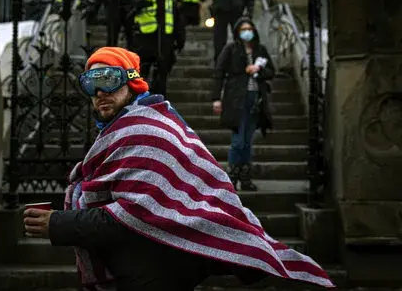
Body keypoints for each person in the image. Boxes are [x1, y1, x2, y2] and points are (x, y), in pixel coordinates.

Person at [23, 47, 333, 291]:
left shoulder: (147, 130)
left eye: (108, 79)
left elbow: (133, 214)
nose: (100, 92)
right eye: (90, 84)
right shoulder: (122, 130)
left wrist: (59, 224)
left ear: (131, 81)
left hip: (156, 269)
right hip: (143, 268)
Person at [212, 17, 275, 191]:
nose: (247, 32)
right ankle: (231, 177)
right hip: (236, 100)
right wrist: (216, 98)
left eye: (249, 29)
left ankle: (245, 178)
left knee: (248, 141)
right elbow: (219, 73)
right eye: (243, 29)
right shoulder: (231, 49)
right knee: (238, 141)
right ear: (238, 32)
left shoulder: (260, 50)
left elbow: (272, 71)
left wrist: (259, 70)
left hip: (255, 99)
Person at [131, 0, 185, 97]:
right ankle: (156, 96)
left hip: (147, 41)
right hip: (163, 41)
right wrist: (180, 41)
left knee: (145, 72)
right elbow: (178, 23)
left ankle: (144, 96)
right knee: (160, 73)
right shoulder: (169, 2)